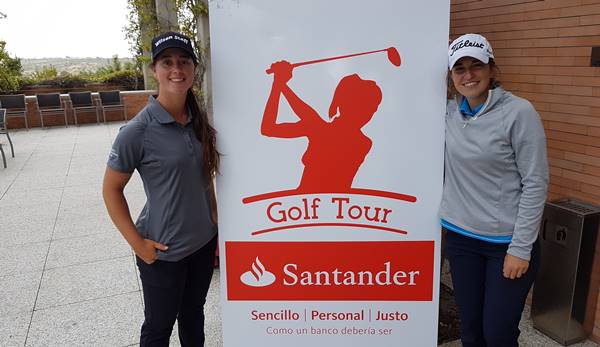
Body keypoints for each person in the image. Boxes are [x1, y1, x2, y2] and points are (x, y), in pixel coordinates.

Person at [102, 31, 219, 347]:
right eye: (167, 62)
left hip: (204, 244)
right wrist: (138, 244)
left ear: (194, 68)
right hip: (164, 253)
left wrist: (213, 217)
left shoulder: (198, 119)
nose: (176, 69)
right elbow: (111, 190)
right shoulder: (137, 132)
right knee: (158, 328)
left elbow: (204, 173)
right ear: (154, 70)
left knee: (193, 315)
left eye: (184, 61)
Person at [440, 33, 549, 346]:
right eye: (459, 68)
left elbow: (535, 183)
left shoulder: (519, 113)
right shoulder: (446, 112)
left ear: (491, 68)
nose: (468, 75)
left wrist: (520, 248)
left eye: (476, 65)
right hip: (461, 239)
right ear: (451, 76)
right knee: (471, 331)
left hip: (505, 245)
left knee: (498, 334)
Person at [262, 60, 382, 192]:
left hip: (325, 207)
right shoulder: (319, 128)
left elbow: (307, 116)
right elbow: (268, 128)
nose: (368, 114)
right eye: (363, 107)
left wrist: (280, 83)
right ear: (345, 103)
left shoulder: (362, 143)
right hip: (307, 206)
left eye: (372, 109)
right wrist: (278, 84)